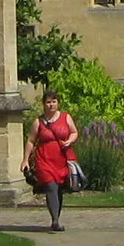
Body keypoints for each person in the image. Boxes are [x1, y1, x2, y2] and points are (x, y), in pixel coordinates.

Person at [26, 88, 78, 231]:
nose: (51, 105)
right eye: (48, 102)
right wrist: (25, 160)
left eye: (54, 102)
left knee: (59, 189)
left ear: (58, 103)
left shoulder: (66, 117)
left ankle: (56, 218)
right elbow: (31, 141)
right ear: (43, 104)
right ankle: (55, 220)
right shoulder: (38, 122)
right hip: (44, 159)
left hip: (61, 159)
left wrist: (70, 140)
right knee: (50, 186)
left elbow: (74, 132)